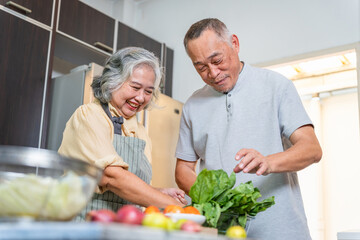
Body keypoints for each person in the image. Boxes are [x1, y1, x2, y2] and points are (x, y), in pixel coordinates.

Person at [175, 18, 322, 240]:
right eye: (201, 67)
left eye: (217, 60)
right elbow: (184, 169)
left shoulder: (276, 86)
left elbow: (311, 149)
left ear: (234, 43)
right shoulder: (192, 105)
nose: (213, 73)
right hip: (221, 230)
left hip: (280, 229)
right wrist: (215, 199)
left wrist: (269, 162)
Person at [58, 47, 187, 220]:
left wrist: (158, 192)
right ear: (113, 82)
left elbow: (128, 190)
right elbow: (111, 177)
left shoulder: (140, 130)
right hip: (85, 224)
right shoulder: (89, 116)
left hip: (123, 226)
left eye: (148, 91)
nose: (141, 98)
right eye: (135, 87)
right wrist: (175, 207)